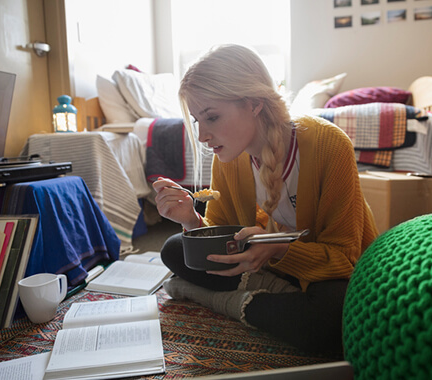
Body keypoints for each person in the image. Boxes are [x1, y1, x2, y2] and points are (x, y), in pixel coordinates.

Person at [152, 44, 378, 356]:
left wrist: (280, 248)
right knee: (174, 248)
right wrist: (190, 219)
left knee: (334, 315)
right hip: (272, 264)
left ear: (255, 103)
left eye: (212, 117)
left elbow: (344, 260)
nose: (203, 135)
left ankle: (225, 301)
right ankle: (280, 299)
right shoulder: (228, 160)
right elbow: (221, 241)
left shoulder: (329, 145)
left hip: (328, 270)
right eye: (197, 121)